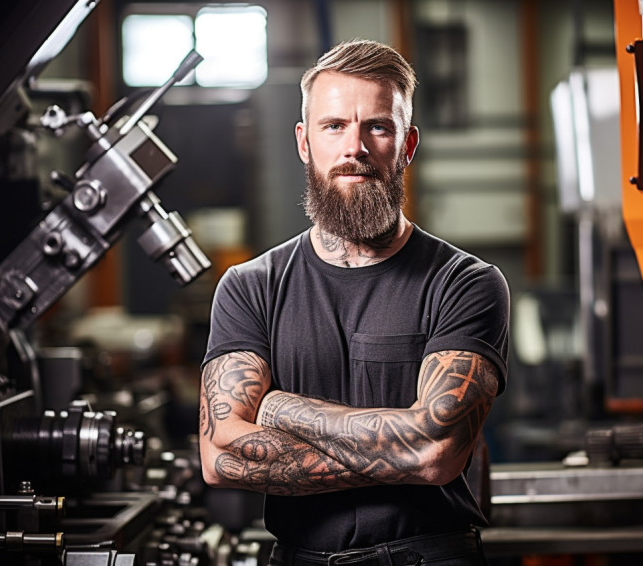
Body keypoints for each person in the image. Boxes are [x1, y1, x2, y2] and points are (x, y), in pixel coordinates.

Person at [199, 38, 510, 565]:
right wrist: (402, 446)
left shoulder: (466, 283)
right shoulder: (250, 286)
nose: (355, 148)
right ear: (304, 141)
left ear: (408, 144)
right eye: (334, 125)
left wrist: (277, 408)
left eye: (378, 127)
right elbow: (221, 456)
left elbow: (436, 456)